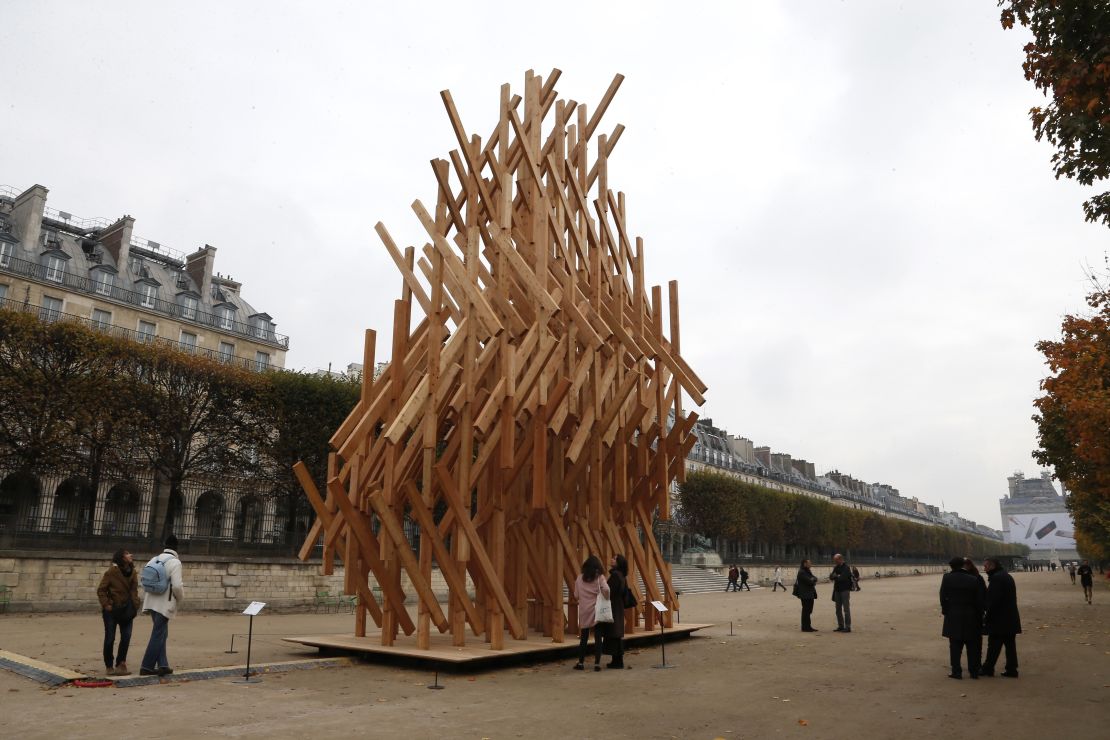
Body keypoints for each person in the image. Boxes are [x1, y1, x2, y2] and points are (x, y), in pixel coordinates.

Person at [139, 535, 185, 677]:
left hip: (151, 601)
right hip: (164, 603)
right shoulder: (175, 563)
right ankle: (146, 666)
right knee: (158, 634)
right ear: (177, 548)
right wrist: (181, 598)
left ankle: (163, 665)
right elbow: (177, 586)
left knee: (161, 633)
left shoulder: (154, 559)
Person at [96, 548, 141, 677]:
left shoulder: (133, 572)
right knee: (110, 638)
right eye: (127, 554)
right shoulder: (111, 572)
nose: (130, 555)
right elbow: (101, 590)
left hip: (127, 609)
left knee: (126, 637)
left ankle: (121, 663)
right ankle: (109, 665)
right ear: (121, 558)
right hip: (112, 610)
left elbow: (134, 590)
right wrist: (106, 605)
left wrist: (135, 604)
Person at [940, 556, 984, 679]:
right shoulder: (973, 579)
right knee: (972, 646)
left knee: (954, 646)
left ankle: (956, 671)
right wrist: (979, 613)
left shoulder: (947, 578)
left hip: (953, 614)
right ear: (963, 565)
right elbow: (979, 600)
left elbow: (943, 596)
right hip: (971, 614)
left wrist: (946, 611)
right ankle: (974, 672)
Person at [981, 557, 1021, 678]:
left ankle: (988, 668)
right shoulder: (1005, 576)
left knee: (993, 645)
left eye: (986, 566)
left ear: (992, 566)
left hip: (1000, 618)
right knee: (1010, 646)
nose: (984, 568)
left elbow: (993, 601)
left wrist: (986, 617)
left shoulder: (997, 578)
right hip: (1010, 617)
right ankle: (1012, 669)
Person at [573, 554, 610, 672]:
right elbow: (607, 590)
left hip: (584, 611)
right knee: (598, 638)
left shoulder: (579, 578)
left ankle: (580, 662)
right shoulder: (599, 577)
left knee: (583, 638)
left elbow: (576, 595)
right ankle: (597, 664)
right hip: (597, 611)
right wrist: (605, 597)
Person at [604, 554, 629, 669]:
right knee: (617, 634)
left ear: (618, 563)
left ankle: (617, 661)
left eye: (614, 558)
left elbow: (609, 592)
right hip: (619, 606)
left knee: (613, 633)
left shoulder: (615, 575)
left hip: (613, 606)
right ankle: (618, 660)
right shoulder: (622, 576)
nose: (611, 559)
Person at [828, 554, 853, 632]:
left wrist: (836, 576)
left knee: (846, 609)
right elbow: (831, 577)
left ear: (840, 559)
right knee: (838, 609)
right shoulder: (836, 567)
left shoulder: (846, 567)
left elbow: (842, 578)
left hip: (845, 590)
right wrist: (836, 576)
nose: (834, 562)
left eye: (836, 560)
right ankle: (841, 625)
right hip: (837, 590)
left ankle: (848, 626)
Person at [796, 559, 818, 632]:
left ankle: (808, 626)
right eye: (809, 563)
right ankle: (805, 627)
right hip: (805, 594)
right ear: (805, 564)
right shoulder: (802, 572)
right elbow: (810, 581)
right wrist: (812, 580)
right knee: (806, 610)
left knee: (808, 610)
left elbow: (814, 578)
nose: (810, 564)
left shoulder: (807, 571)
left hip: (809, 593)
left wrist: (813, 580)